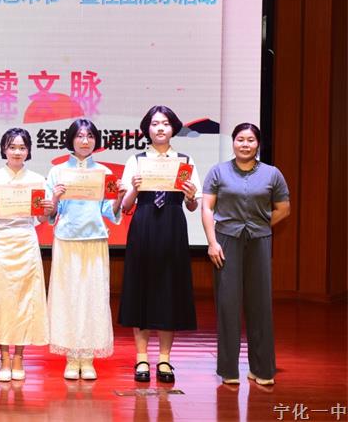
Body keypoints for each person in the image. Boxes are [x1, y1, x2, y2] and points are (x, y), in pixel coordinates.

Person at [201, 123, 290, 386]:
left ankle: (262, 369)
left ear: (258, 144)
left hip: (259, 241)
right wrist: (212, 243)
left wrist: (261, 225)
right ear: (233, 142)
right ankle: (229, 370)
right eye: (240, 139)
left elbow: (284, 208)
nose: (245, 144)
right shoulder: (218, 171)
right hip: (225, 241)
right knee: (228, 305)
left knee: (260, 305)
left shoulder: (272, 174)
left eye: (250, 140)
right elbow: (207, 208)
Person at [118, 105, 201, 384]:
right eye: (155, 124)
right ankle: (141, 357)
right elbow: (125, 206)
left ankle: (164, 358)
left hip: (172, 225)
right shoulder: (136, 160)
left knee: (169, 291)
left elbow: (192, 206)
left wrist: (190, 196)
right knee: (141, 288)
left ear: (173, 128)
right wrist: (134, 187)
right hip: (143, 225)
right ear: (147, 129)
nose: (160, 128)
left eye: (165, 123)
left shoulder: (185, 161)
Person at [46, 118, 124, 380]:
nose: (85, 140)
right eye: (79, 135)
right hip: (66, 239)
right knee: (68, 297)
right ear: (71, 139)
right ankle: (71, 356)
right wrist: (55, 197)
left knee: (93, 297)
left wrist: (119, 198)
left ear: (95, 141)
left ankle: (88, 357)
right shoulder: (57, 172)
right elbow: (49, 213)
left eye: (90, 136)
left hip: (94, 239)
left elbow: (109, 212)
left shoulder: (104, 172)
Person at [0, 128, 50, 382]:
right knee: (1, 300)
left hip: (25, 240)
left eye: (22, 147)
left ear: (28, 151)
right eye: (12, 147)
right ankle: (4, 359)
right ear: (4, 150)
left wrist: (47, 209)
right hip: (0, 240)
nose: (17, 152)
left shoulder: (37, 179)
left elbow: (42, 219)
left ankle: (19, 356)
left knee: (24, 299)